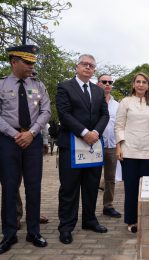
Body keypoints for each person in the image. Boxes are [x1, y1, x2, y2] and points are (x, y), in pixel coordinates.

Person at [0, 45, 51, 254]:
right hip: (7, 141)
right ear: (14, 62)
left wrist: (32, 133)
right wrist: (15, 135)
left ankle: (33, 231)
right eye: (27, 62)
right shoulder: (2, 84)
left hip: (33, 141)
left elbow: (46, 111)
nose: (32, 66)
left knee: (33, 187)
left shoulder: (38, 85)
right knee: (9, 188)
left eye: (33, 62)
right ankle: (9, 234)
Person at [56, 54, 109, 244]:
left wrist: (95, 132)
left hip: (93, 146)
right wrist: (84, 132)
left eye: (91, 65)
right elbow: (64, 113)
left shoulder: (98, 90)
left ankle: (89, 220)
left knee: (91, 186)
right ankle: (66, 226)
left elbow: (105, 115)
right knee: (69, 188)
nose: (88, 67)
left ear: (94, 70)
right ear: (77, 67)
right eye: (84, 64)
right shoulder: (65, 86)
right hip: (71, 145)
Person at [115, 72, 149, 233]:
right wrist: (119, 146)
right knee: (131, 187)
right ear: (133, 84)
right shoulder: (125, 102)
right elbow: (119, 125)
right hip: (129, 150)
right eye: (138, 82)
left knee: (145, 188)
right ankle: (131, 220)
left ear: (148, 86)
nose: (140, 85)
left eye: (144, 82)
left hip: (148, 150)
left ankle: (145, 219)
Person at [97, 74, 121, 218]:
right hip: (94, 145)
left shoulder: (117, 105)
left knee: (110, 179)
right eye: (104, 81)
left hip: (112, 145)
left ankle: (108, 206)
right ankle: (90, 208)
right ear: (98, 83)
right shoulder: (92, 101)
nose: (107, 84)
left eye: (110, 82)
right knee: (92, 179)